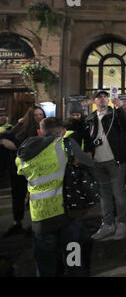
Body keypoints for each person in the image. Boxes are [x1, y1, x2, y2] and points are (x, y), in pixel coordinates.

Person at [16, 117, 93, 276]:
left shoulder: (22, 154)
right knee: (74, 263)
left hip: (40, 219)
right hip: (68, 215)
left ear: (39, 132)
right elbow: (88, 162)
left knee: (45, 267)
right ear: (63, 132)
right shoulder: (66, 145)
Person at [85, 90, 126, 240]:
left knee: (118, 193)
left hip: (114, 160)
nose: (103, 98)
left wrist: (119, 109)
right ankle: (107, 223)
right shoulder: (90, 118)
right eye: (99, 97)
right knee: (104, 195)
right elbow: (87, 138)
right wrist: (88, 152)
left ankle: (121, 223)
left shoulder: (114, 114)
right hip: (98, 162)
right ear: (94, 101)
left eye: (105, 96)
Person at [0, 106, 46, 237]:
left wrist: (16, 148)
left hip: (36, 169)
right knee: (18, 195)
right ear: (30, 116)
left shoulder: (44, 129)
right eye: (36, 115)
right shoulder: (22, 127)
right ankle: (17, 222)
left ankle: (35, 224)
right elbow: (7, 137)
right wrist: (18, 124)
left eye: (41, 114)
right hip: (19, 169)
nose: (39, 117)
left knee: (36, 196)